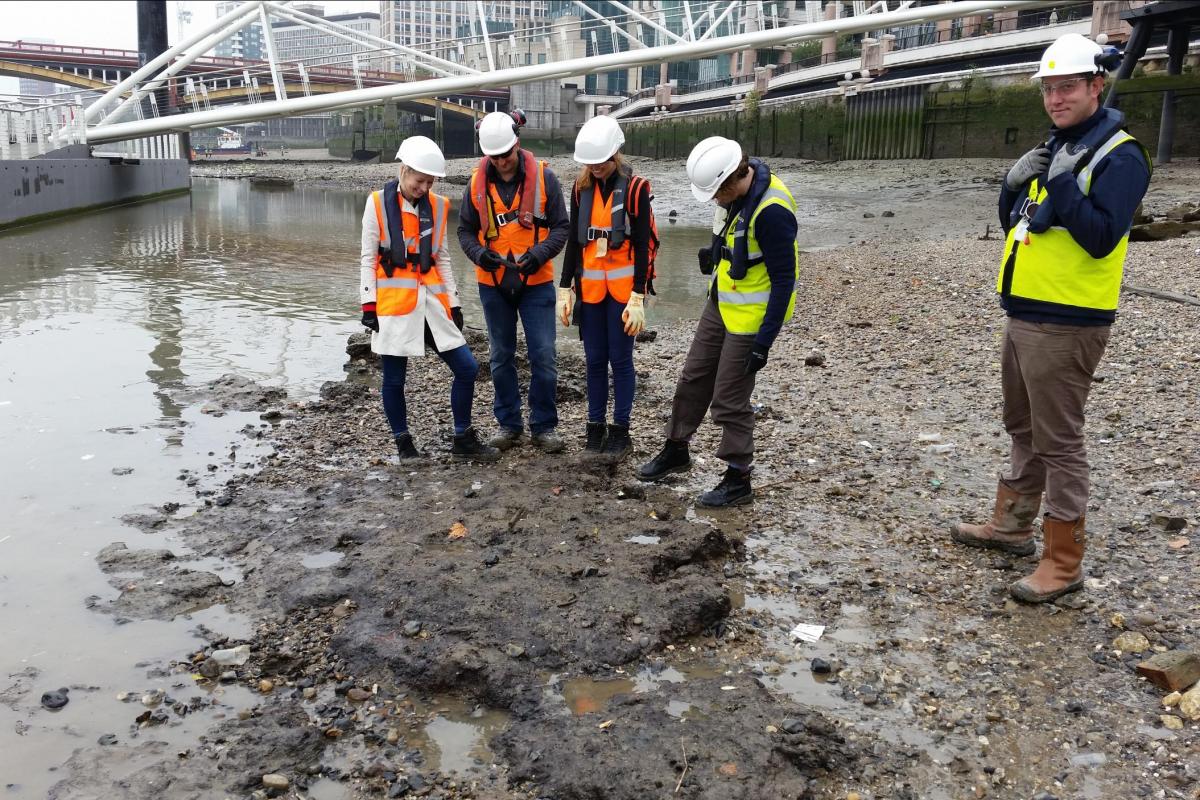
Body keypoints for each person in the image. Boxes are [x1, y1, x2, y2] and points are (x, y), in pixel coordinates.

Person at [950, 33, 1150, 603]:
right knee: (1022, 426)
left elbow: (1100, 235)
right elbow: (1022, 219)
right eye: (1049, 88)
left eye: (1068, 87)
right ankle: (1011, 526)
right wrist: (1013, 184)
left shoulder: (1121, 155)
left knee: (1059, 441)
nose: (1056, 98)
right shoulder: (1059, 145)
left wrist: (1060, 180)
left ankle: (1063, 563)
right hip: (1025, 312)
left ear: (1096, 85)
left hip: (1070, 320)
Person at [637, 137, 799, 507]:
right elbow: (733, 241)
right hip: (721, 302)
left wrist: (764, 344)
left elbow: (785, 281)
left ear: (730, 181)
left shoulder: (772, 211)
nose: (712, 200)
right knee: (693, 376)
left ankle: (738, 478)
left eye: (714, 193)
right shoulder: (732, 199)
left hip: (751, 319)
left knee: (728, 398)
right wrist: (714, 253)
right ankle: (676, 449)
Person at [359, 136, 500, 463]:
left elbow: (442, 257)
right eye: (419, 180)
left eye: (430, 182)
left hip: (432, 303)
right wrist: (368, 304)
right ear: (403, 170)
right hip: (393, 305)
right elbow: (368, 257)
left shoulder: (438, 206)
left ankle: (463, 437)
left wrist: (454, 302)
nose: (424, 187)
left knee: (467, 368)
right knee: (395, 379)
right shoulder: (377, 203)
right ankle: (404, 445)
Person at [458, 110, 570, 453]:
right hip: (492, 283)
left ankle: (544, 427)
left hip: (535, 281)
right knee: (500, 356)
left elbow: (562, 227)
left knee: (543, 354)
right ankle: (509, 425)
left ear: (517, 144)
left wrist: (538, 254)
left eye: (506, 155)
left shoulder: (545, 179)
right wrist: (479, 254)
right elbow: (464, 231)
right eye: (494, 157)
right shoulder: (476, 183)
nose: (502, 162)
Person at [557, 115, 654, 463]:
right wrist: (565, 288)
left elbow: (642, 245)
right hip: (592, 293)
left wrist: (639, 295)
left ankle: (621, 432)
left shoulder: (636, 189)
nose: (594, 167)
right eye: (589, 163)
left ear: (615, 154)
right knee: (595, 361)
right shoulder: (580, 189)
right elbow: (573, 240)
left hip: (623, 293)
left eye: (600, 161)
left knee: (621, 361)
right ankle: (594, 427)